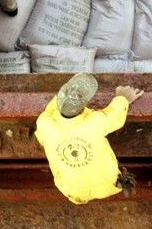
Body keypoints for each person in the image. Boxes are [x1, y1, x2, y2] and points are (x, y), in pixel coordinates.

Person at [33, 73, 144, 205]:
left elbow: (46, 124)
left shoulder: (44, 123)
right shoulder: (95, 122)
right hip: (108, 185)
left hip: (70, 190)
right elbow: (115, 114)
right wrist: (122, 97)